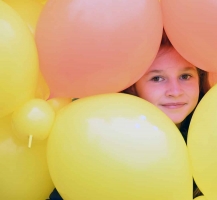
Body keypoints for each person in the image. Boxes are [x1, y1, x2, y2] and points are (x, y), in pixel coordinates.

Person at [48, 30, 208, 199]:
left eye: (185, 76)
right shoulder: (101, 139)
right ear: (133, 86)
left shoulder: (210, 133)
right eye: (157, 79)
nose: (175, 91)